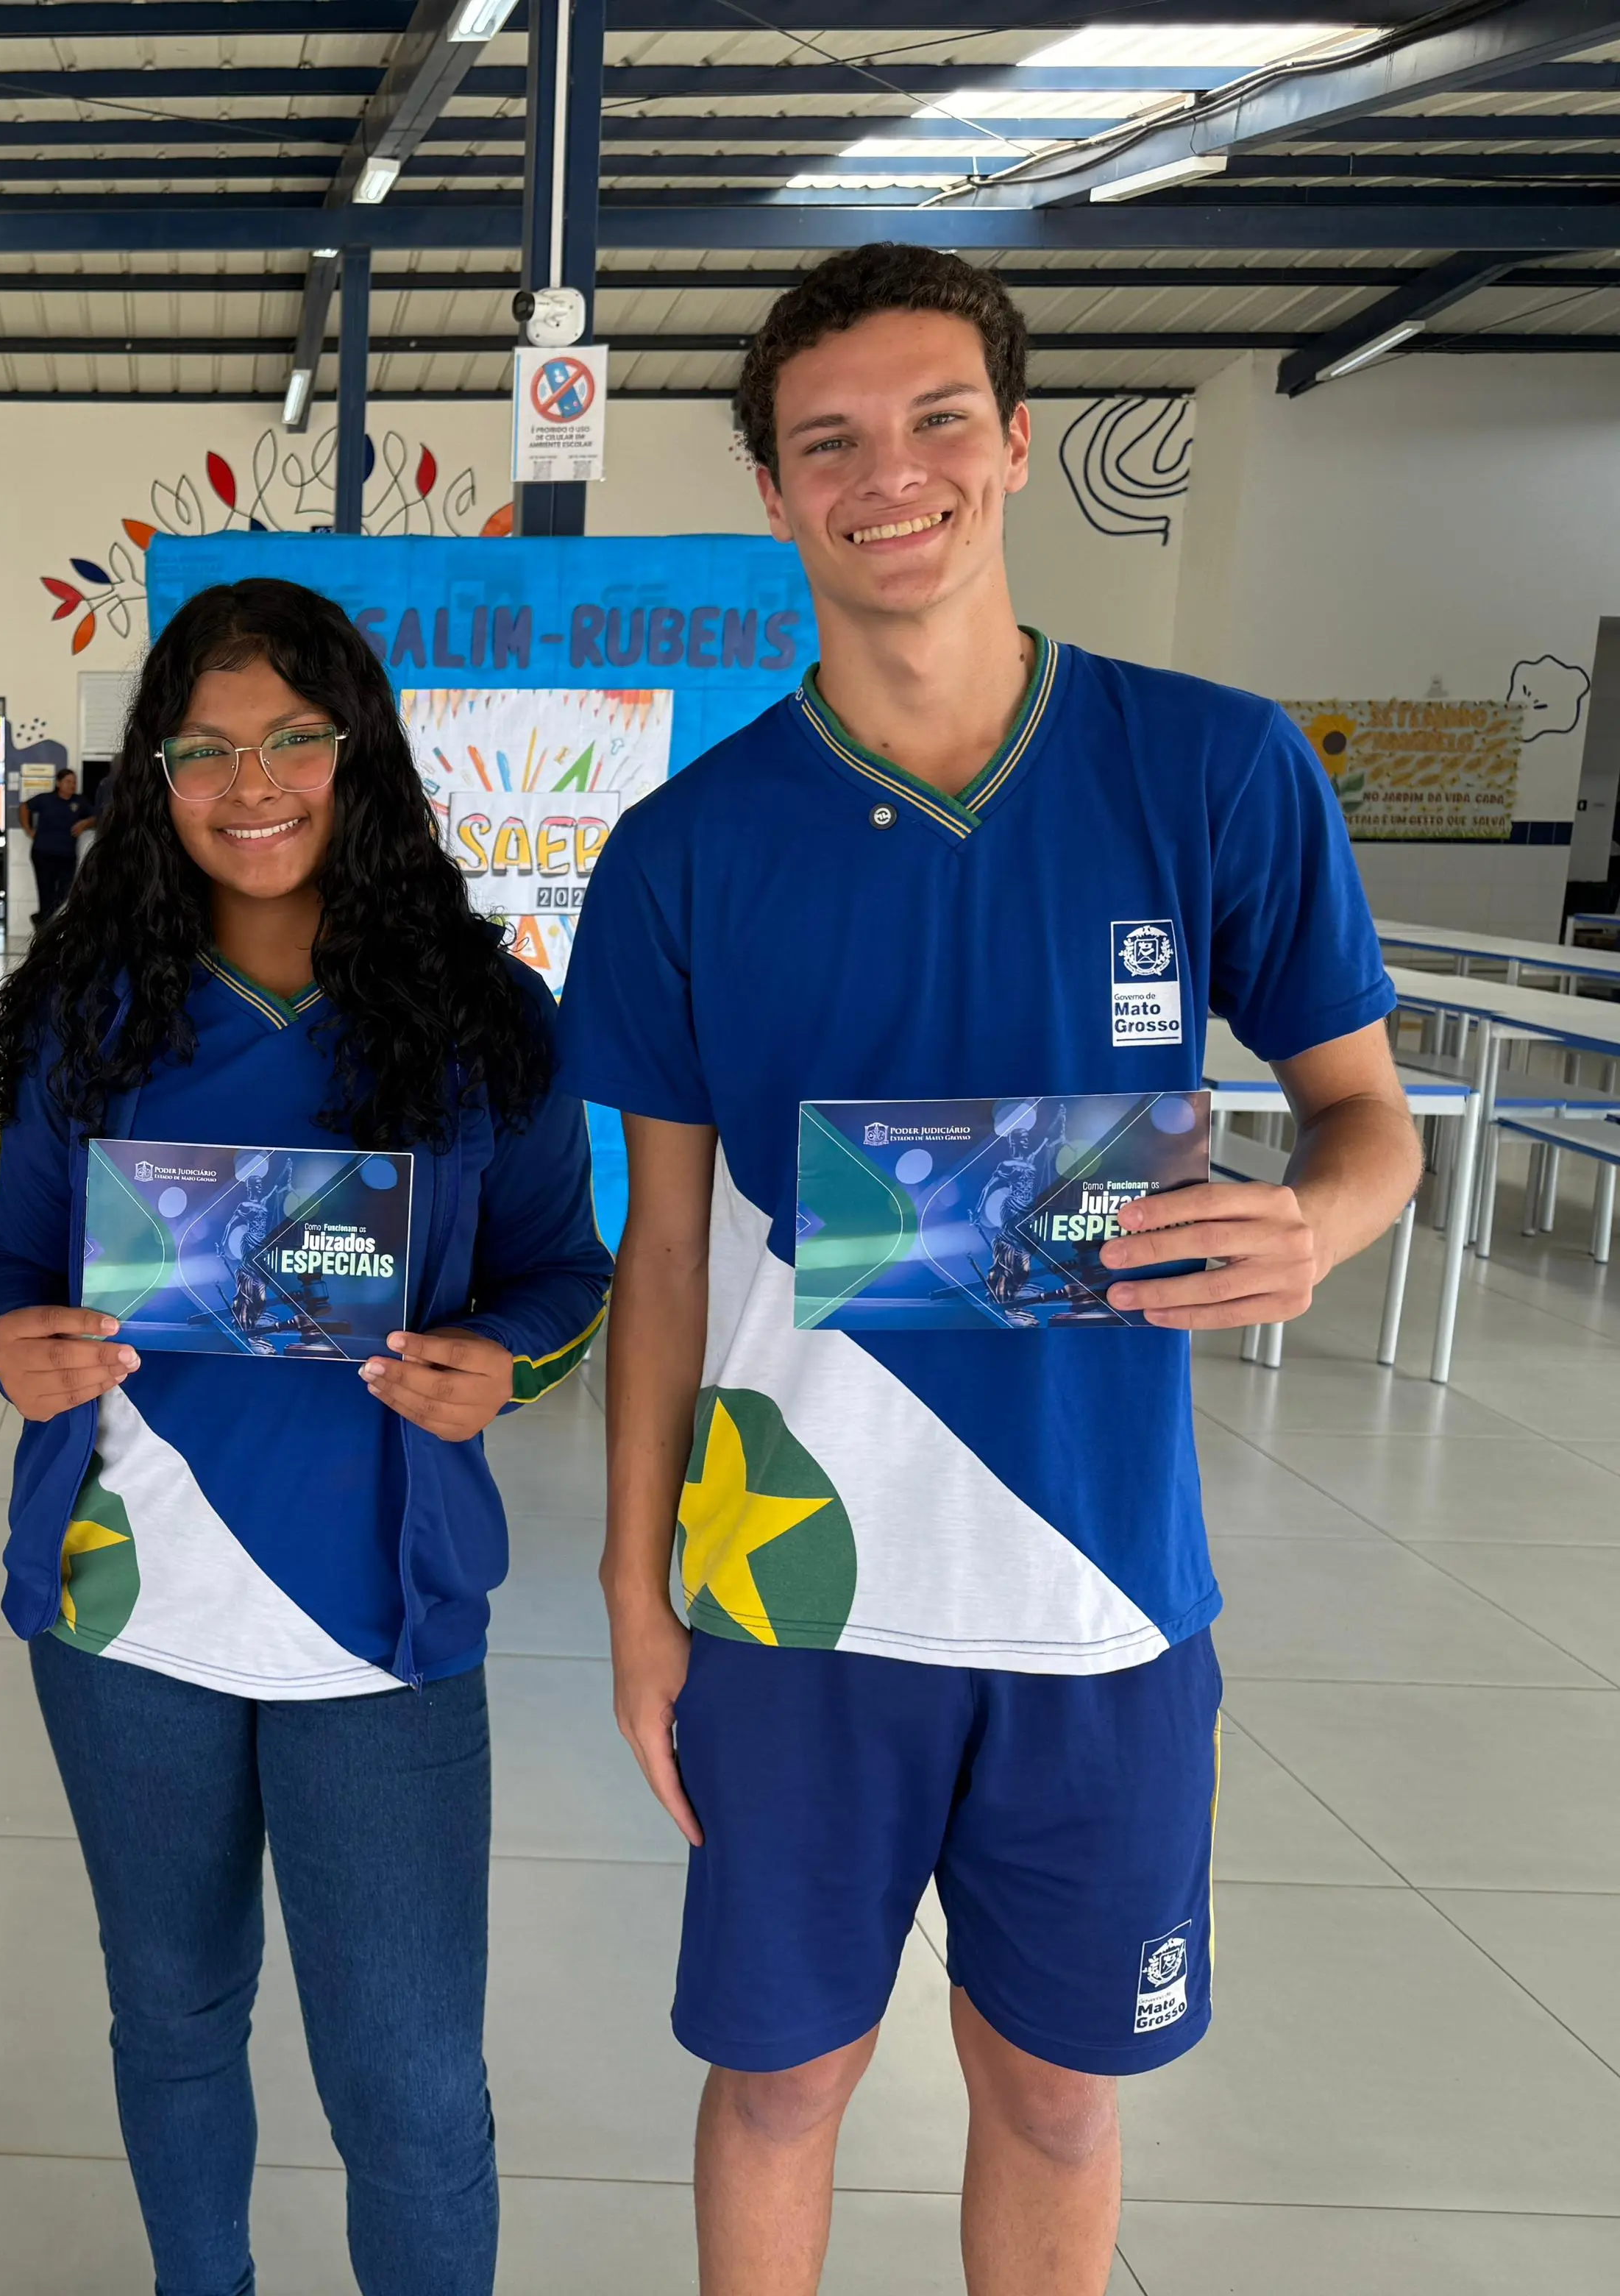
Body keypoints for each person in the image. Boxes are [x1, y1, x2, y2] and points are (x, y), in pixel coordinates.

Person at [555, 245, 1423, 2294]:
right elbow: (660, 1251)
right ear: (774, 490)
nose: (891, 473)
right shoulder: (685, 851)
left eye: (938, 418)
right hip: (789, 1589)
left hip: (1099, 1589)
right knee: (780, 2080)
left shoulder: (1211, 770)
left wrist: (1316, 1220)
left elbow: (1367, 1121)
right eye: (829, 440)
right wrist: (632, 1587)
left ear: (1017, 444)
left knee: (1055, 2095)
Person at [0, 577, 613, 2296]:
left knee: (409, 2080)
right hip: (123, 1606)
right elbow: (9, 1266)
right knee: (174, 2017)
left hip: (378, 1613)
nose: (249, 785)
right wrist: (16, 1347)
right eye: (204, 749)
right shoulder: (91, 1015)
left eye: (292, 740)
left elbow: (562, 1271)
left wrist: (504, 1361)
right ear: (155, 776)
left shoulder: (485, 1021)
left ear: (359, 753)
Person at [21, 764, 85, 922]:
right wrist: (28, 829)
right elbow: (24, 807)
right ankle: (45, 925)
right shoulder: (46, 799)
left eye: (74, 782)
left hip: (67, 856)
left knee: (66, 893)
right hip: (43, 854)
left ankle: (43, 920)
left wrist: (85, 823)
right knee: (46, 893)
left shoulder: (79, 802)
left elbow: (97, 816)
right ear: (58, 783)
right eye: (68, 781)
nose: (72, 785)